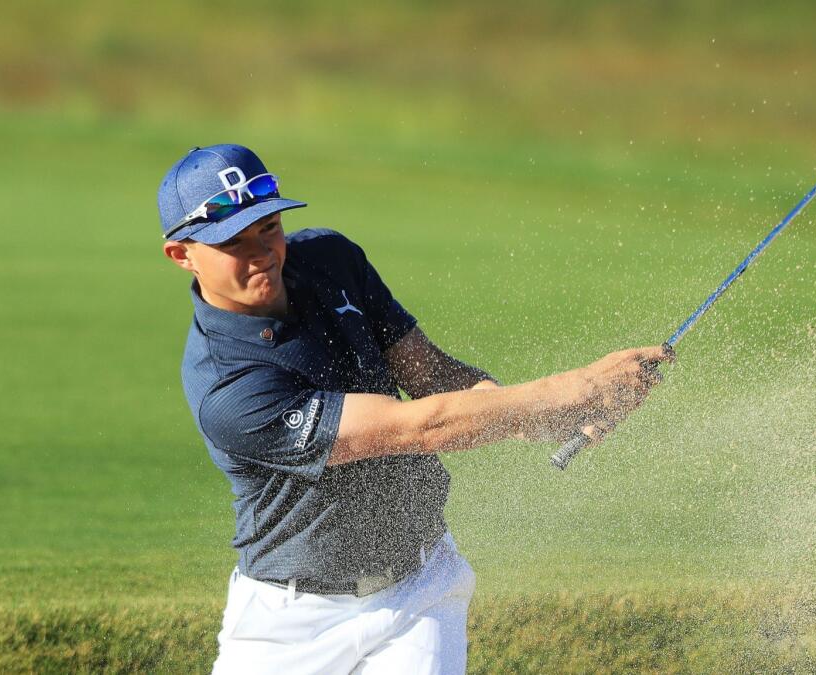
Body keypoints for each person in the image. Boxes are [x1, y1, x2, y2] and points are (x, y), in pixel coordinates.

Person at [158, 144, 671, 674]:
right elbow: (418, 428)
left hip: (419, 590)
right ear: (182, 254)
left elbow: (429, 375)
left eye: (268, 227)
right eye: (233, 242)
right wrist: (576, 387)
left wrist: (540, 417)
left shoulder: (331, 259)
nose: (262, 252)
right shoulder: (230, 388)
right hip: (291, 626)